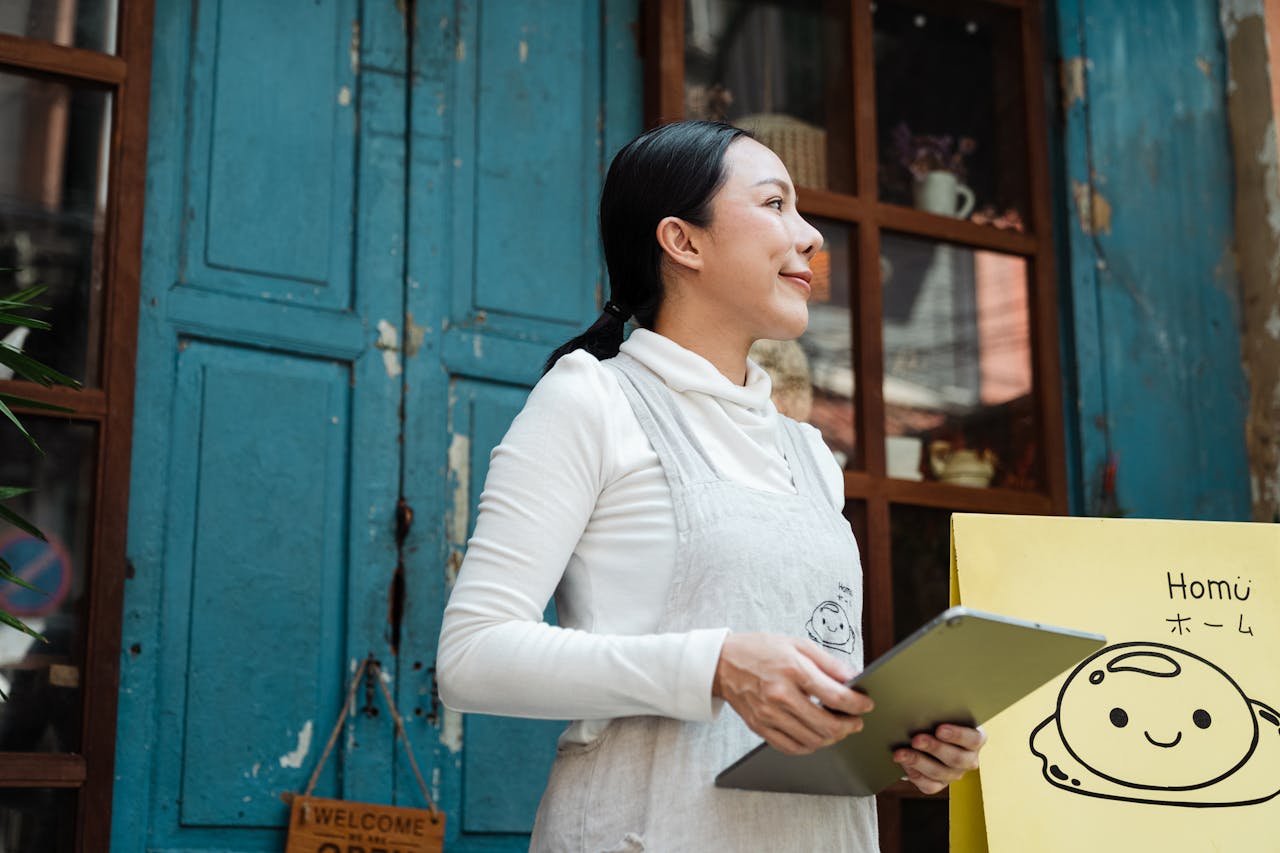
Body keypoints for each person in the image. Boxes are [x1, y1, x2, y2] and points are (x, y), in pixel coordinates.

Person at [436, 120, 985, 852]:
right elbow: (471, 658)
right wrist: (717, 665)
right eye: (774, 204)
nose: (812, 235)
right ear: (682, 241)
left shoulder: (810, 453)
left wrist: (901, 756)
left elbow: (799, 716)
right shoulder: (591, 401)